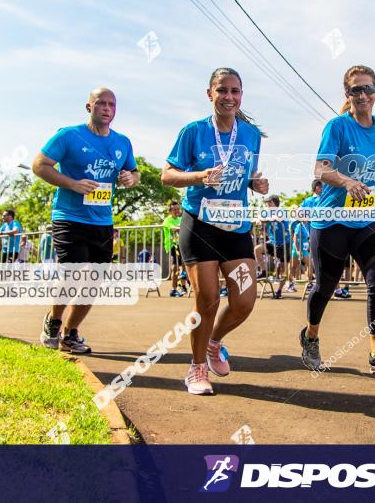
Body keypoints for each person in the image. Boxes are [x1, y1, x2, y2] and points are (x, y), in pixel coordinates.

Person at [161, 67, 269, 395]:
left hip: (235, 228)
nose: (229, 97)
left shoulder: (250, 135)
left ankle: (213, 343)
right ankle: (195, 369)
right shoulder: (193, 132)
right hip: (200, 226)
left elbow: (247, 175)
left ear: (241, 96)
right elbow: (167, 175)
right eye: (222, 90)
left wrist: (257, 183)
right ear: (210, 94)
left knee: (245, 300)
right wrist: (200, 176)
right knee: (207, 299)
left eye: (235, 91)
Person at [300, 64, 375, 375]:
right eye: (356, 90)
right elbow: (321, 170)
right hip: (332, 220)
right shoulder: (337, 127)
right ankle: (311, 337)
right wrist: (346, 182)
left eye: (368, 89)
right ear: (347, 94)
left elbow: (372, 164)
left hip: (367, 218)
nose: (363, 94)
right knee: (325, 286)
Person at [33, 87, 141, 354]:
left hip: (102, 221)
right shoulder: (69, 135)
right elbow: (39, 165)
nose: (107, 108)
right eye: (101, 103)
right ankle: (53, 321)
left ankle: (70, 333)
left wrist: (130, 179)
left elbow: (134, 173)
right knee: (71, 274)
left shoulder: (122, 142)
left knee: (94, 281)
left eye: (112, 105)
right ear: (89, 107)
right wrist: (72, 184)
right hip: (69, 217)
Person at [163, 201, 184, 297]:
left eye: (178, 209)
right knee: (175, 266)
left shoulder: (180, 219)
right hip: (173, 245)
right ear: (170, 211)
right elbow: (174, 228)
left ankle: (183, 286)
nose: (176, 211)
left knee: (184, 265)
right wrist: (181, 227)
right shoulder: (168, 220)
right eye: (174, 209)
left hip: (182, 245)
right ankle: (173, 289)